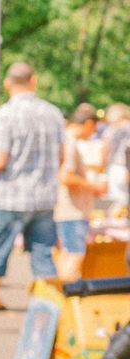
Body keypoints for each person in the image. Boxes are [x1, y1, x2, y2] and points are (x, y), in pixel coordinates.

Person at [0, 62, 65, 332]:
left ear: (8, 84)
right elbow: (62, 157)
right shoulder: (53, 113)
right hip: (43, 197)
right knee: (43, 258)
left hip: (11, 198)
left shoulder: (5, 114)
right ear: (34, 80)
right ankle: (53, 319)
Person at [55, 103, 107, 280]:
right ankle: (65, 300)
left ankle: (61, 299)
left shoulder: (67, 139)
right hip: (71, 210)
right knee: (75, 254)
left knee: (68, 253)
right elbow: (66, 177)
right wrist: (94, 186)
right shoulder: (69, 140)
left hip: (70, 209)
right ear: (89, 124)